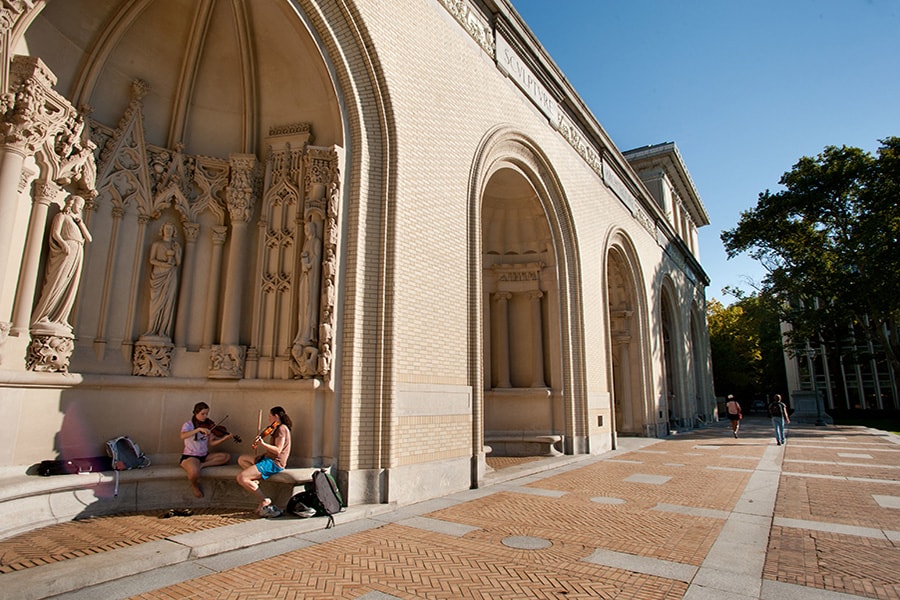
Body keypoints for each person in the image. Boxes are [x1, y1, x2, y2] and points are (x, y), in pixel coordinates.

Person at [31, 194, 92, 332]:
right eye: (79, 204)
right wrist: (64, 244)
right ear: (72, 203)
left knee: (70, 284)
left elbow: (89, 238)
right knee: (57, 281)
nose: (80, 208)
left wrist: (80, 223)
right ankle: (44, 315)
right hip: (66, 251)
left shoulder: (77, 221)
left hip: (77, 251)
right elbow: (55, 234)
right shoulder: (61, 216)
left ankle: (61, 318)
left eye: (82, 206)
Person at [237, 406, 292, 517]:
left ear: (276, 416)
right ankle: (254, 480)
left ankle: (264, 500)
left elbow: (277, 451)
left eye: (270, 416)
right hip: (267, 458)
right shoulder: (278, 428)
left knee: (241, 478)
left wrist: (263, 444)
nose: (268, 419)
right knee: (242, 459)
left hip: (273, 463)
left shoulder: (281, 429)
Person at [180, 402, 233, 498]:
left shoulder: (208, 426)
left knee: (226, 457)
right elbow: (183, 435)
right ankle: (195, 486)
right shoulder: (189, 424)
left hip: (204, 456)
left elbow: (211, 443)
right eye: (202, 414)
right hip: (191, 456)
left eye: (206, 414)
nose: (205, 416)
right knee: (193, 472)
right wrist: (198, 429)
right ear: (196, 413)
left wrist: (224, 439)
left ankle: (202, 465)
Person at [144, 221, 181, 339]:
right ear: (163, 230)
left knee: (168, 303)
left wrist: (174, 253)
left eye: (170, 229)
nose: (168, 231)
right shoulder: (157, 244)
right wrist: (164, 264)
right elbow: (152, 260)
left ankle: (163, 332)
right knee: (154, 303)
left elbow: (178, 262)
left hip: (170, 275)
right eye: (166, 229)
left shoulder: (176, 246)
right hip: (158, 274)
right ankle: (151, 330)